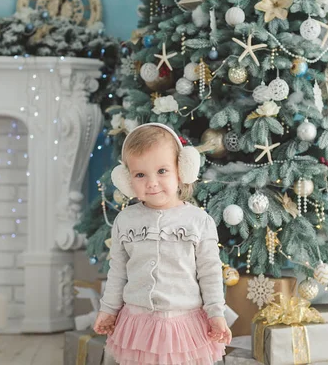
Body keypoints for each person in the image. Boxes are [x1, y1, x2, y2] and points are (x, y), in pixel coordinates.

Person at [93, 123, 231, 365]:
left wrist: (216, 314)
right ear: (127, 180)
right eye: (140, 175)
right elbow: (117, 272)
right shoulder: (125, 221)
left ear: (182, 170)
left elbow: (210, 273)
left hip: (184, 324)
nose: (152, 183)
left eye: (162, 171)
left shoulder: (198, 221)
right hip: (138, 323)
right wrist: (108, 310)